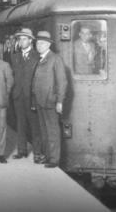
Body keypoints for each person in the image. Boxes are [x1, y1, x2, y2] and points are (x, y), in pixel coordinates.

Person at [31, 31, 68, 168]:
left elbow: (62, 82)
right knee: (44, 131)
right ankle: (48, 156)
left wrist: (60, 101)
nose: (39, 46)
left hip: (50, 101)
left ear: (48, 45)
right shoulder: (40, 59)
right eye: (37, 43)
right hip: (40, 101)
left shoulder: (55, 59)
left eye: (41, 43)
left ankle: (54, 160)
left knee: (52, 131)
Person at [10, 28, 43, 163]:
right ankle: (21, 150)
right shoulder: (14, 56)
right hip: (18, 95)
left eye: (25, 39)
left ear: (31, 40)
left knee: (35, 126)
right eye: (20, 39)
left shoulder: (37, 56)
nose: (22, 41)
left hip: (31, 97)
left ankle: (37, 153)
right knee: (20, 124)